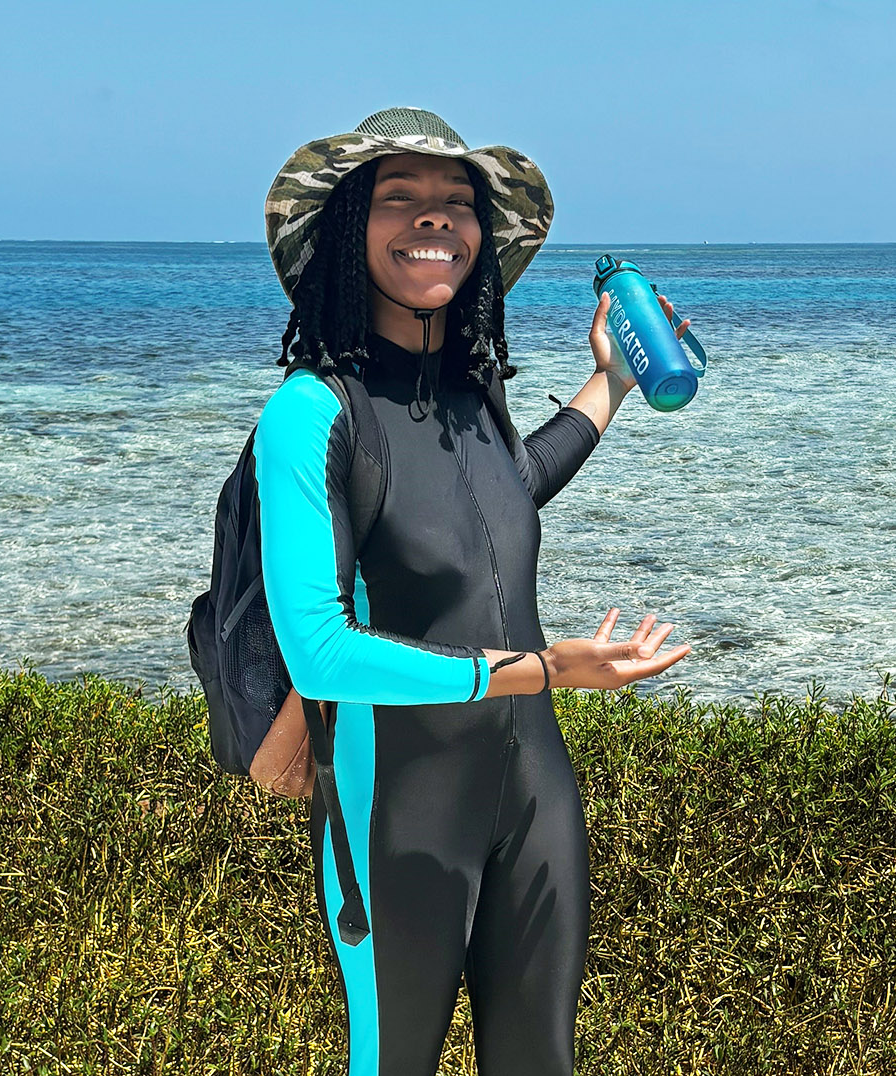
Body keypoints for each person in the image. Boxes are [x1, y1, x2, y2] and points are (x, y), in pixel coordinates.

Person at [254, 106, 692, 1076]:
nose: (432, 221)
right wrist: (538, 673)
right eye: (397, 200)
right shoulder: (309, 415)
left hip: (532, 794)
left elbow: (506, 490)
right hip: (394, 806)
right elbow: (319, 650)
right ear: (341, 233)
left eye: (455, 205)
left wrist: (609, 386)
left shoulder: (470, 397)